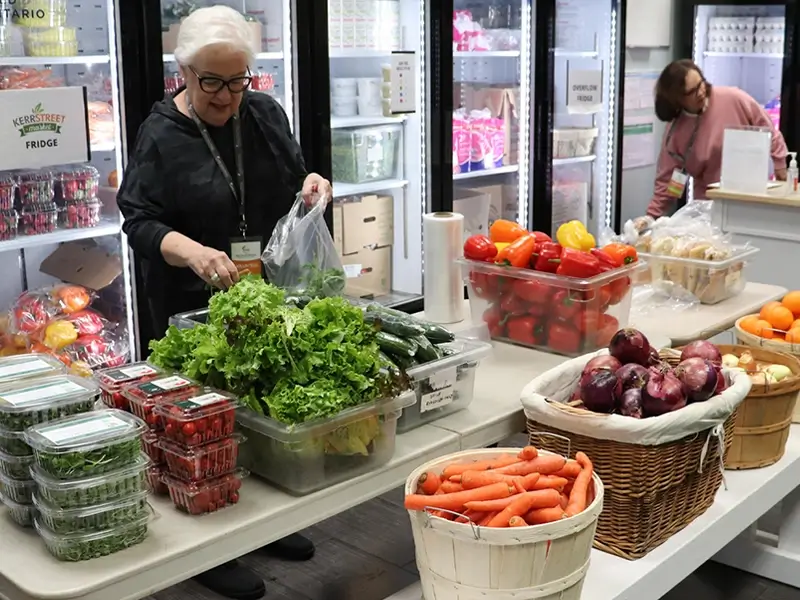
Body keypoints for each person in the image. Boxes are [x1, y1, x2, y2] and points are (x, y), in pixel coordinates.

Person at [117, 6, 330, 600]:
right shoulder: (162, 131)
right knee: (200, 431)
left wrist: (313, 186)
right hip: (186, 305)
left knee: (253, 420)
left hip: (258, 295)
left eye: (238, 81)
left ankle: (261, 526)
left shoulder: (263, 113)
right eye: (212, 82)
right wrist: (191, 251)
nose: (226, 96)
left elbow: (295, 178)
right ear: (183, 72)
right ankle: (207, 548)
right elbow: (138, 219)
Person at [645, 59, 788, 218]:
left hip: (750, 200)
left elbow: (769, 130)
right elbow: (669, 183)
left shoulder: (733, 98)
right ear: (677, 99)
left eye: (701, 84)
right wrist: (650, 217)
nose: (701, 92)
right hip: (708, 208)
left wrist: (780, 165)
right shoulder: (675, 132)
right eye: (692, 91)